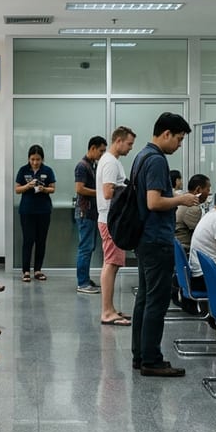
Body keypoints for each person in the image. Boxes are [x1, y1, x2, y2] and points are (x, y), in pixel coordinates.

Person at [130, 113, 198, 378]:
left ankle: (140, 354)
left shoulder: (141, 156)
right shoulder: (157, 160)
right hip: (156, 239)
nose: (179, 145)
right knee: (156, 302)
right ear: (166, 133)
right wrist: (182, 200)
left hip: (144, 239)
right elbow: (154, 202)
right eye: (179, 139)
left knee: (144, 299)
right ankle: (152, 359)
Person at [97, 126, 137, 326]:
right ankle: (106, 311)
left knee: (111, 264)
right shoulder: (111, 162)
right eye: (129, 144)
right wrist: (129, 193)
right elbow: (107, 192)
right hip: (111, 220)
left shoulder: (111, 161)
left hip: (109, 219)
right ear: (118, 141)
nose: (130, 148)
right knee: (111, 264)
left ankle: (110, 308)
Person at [15, 144, 56, 283]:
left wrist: (44, 189)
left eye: (38, 159)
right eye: (32, 159)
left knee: (41, 240)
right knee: (28, 240)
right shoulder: (23, 170)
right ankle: (26, 271)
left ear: (42, 159)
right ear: (29, 158)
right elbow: (17, 189)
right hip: (27, 211)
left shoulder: (47, 170)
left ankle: (38, 270)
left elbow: (53, 189)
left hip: (43, 210)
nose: (35, 162)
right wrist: (28, 186)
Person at [74, 136, 106, 294]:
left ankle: (85, 278)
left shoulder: (92, 165)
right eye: (101, 150)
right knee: (85, 247)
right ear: (92, 148)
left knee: (89, 247)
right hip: (84, 212)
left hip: (92, 213)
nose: (102, 154)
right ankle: (82, 282)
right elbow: (79, 189)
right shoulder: (82, 166)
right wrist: (100, 192)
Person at [174, 174, 212, 252]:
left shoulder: (183, 199)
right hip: (185, 250)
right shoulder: (192, 207)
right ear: (198, 190)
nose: (209, 193)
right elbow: (202, 234)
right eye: (208, 189)